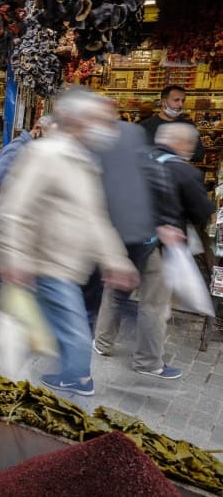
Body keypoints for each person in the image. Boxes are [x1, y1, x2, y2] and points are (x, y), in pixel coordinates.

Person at [0, 88, 138, 396]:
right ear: (74, 119)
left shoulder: (84, 161)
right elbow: (13, 209)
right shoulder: (45, 154)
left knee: (40, 333)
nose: (106, 128)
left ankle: (24, 384)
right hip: (45, 265)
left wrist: (115, 260)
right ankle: (72, 384)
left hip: (70, 267)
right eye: (98, 120)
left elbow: (94, 217)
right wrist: (13, 259)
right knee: (73, 335)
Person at [91, 113, 184, 379]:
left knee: (116, 292)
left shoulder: (105, 166)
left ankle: (102, 343)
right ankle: (148, 362)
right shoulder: (147, 163)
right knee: (153, 303)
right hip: (143, 243)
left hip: (122, 243)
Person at [0, 115, 55, 313]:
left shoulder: (31, 148)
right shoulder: (19, 146)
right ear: (38, 129)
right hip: (4, 213)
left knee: (0, 259)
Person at [150, 123, 216, 244]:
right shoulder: (186, 172)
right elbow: (201, 214)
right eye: (191, 143)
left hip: (137, 234)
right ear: (181, 142)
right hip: (168, 238)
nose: (192, 149)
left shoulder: (143, 158)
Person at [140, 85, 203, 162]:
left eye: (183, 101)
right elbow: (138, 154)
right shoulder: (145, 126)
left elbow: (199, 154)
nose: (180, 105)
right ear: (163, 102)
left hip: (178, 171)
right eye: (176, 100)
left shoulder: (188, 125)